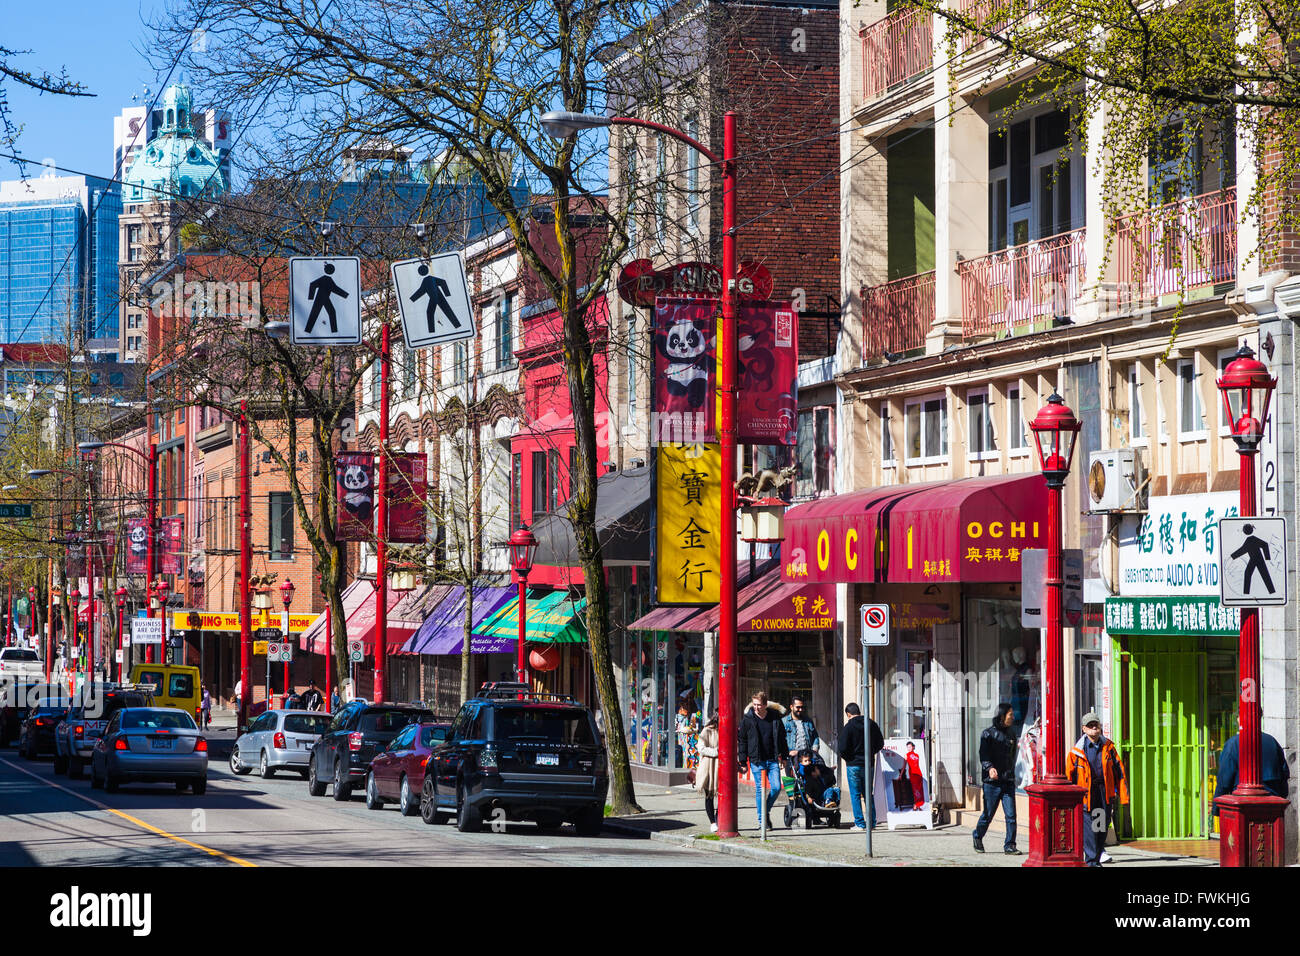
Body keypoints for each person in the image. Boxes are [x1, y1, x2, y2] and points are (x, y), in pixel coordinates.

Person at [1065, 712, 1129, 867]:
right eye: (1090, 726)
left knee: (1101, 826)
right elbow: (1069, 776)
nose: (1094, 728)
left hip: (1103, 792)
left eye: (1096, 725)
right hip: (1086, 794)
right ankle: (1092, 861)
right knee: (1090, 828)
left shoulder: (1109, 747)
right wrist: (1070, 798)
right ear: (1084, 729)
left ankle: (1098, 854)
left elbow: (1119, 772)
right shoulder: (1077, 752)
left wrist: (1123, 795)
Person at [1213, 709, 1291, 803]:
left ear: (1239, 719)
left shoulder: (1233, 744)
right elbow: (1284, 774)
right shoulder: (1272, 741)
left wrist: (1216, 807)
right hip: (1272, 801)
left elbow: (1224, 780)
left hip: (1243, 802)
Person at [737, 691, 787, 830]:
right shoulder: (748, 719)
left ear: (765, 704)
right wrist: (742, 761)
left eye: (759, 705)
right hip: (756, 759)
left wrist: (784, 756)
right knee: (760, 789)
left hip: (772, 758)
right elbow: (742, 740)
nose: (756, 707)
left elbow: (782, 737)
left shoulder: (774, 717)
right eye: (754, 704)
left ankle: (765, 810)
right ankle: (762, 820)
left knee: (776, 787)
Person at [972, 702, 1019, 855]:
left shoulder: (1012, 734)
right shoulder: (988, 734)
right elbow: (983, 755)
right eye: (1010, 714)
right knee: (988, 814)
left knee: (1011, 816)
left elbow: (1012, 757)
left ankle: (1010, 845)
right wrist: (990, 768)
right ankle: (977, 836)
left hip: (1008, 782)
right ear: (1002, 716)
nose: (1012, 717)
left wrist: (1011, 773)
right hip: (992, 783)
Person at [838, 702, 884, 831]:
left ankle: (859, 823)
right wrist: (870, 753)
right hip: (868, 764)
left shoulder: (848, 727)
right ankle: (872, 822)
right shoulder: (871, 724)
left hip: (853, 765)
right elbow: (880, 743)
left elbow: (842, 747)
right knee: (868, 794)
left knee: (855, 794)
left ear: (848, 714)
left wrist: (849, 758)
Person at [694, 714, 720, 832]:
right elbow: (701, 748)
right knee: (709, 795)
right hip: (708, 766)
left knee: (723, 796)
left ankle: (718, 818)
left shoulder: (727, 731)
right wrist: (716, 752)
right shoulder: (707, 731)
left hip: (721, 766)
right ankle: (713, 822)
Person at [783, 696, 820, 764]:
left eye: (802, 707)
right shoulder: (784, 722)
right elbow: (780, 741)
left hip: (807, 758)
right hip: (792, 759)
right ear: (791, 707)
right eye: (798, 707)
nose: (800, 709)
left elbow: (815, 737)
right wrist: (788, 752)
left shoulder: (808, 721)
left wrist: (815, 749)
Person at [904, 741, 926, 810]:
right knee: (915, 789)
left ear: (913, 747)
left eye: (910, 746)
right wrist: (901, 774)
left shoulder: (917, 755)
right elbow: (904, 766)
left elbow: (917, 765)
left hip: (918, 774)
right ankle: (916, 804)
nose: (909, 748)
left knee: (920, 790)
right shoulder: (906, 755)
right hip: (912, 774)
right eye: (907, 747)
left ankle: (918, 805)